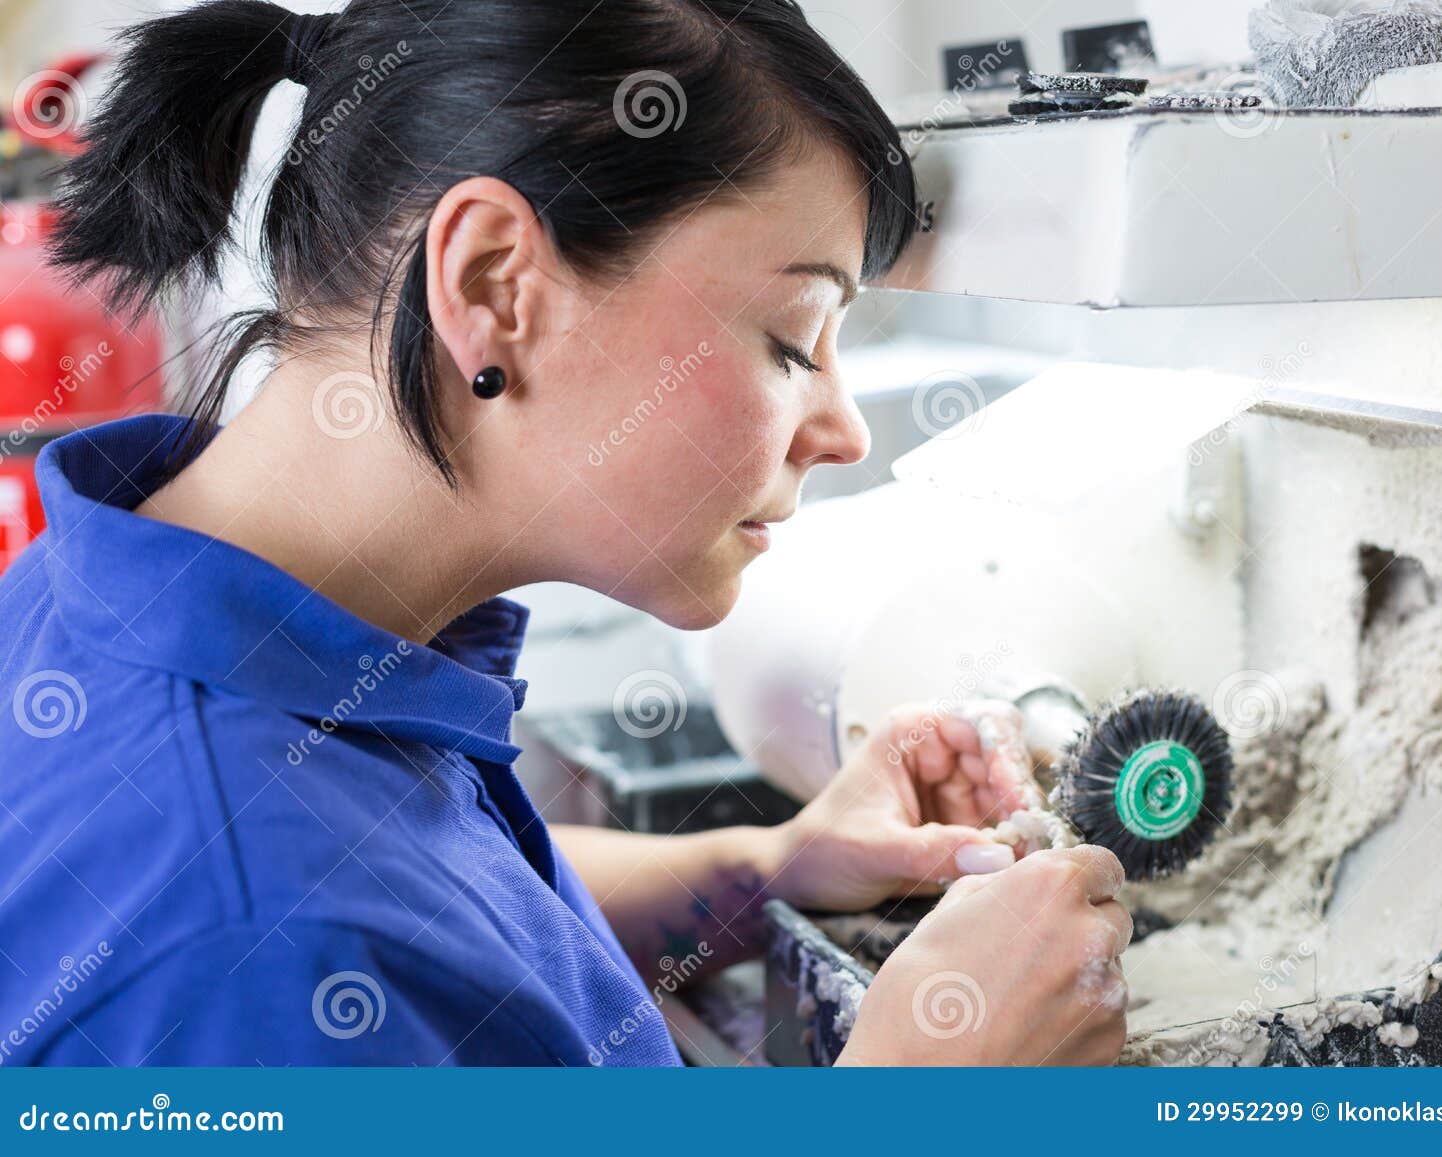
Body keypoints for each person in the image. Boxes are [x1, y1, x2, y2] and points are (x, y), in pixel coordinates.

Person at [0, 0, 1130, 1066]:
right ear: (494, 283)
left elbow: (436, 913)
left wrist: (763, 868)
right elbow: (339, 930)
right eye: (792, 338)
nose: (838, 430)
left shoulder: (152, 593)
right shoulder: (251, 945)